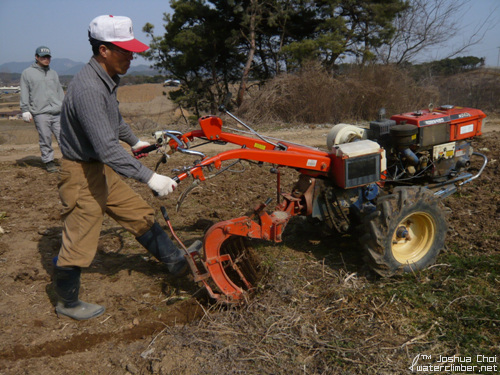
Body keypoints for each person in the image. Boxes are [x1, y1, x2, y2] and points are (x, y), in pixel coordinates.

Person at [54, 15, 201, 321]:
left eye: (132, 51)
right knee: (79, 238)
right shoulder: (89, 89)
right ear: (104, 50)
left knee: (137, 213)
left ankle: (174, 260)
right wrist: (151, 178)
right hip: (82, 171)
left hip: (99, 165)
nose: (131, 57)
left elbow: (114, 120)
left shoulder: (106, 79)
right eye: (125, 50)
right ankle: (67, 302)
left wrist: (135, 142)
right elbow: (107, 148)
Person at [20, 46, 64, 173]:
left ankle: (69, 159)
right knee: (45, 138)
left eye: (48, 57)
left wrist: (64, 106)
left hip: (57, 111)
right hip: (40, 112)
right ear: (36, 57)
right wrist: (25, 109)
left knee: (64, 137)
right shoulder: (27, 73)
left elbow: (59, 91)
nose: (46, 59)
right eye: (43, 57)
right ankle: (49, 161)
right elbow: (25, 92)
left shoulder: (53, 73)